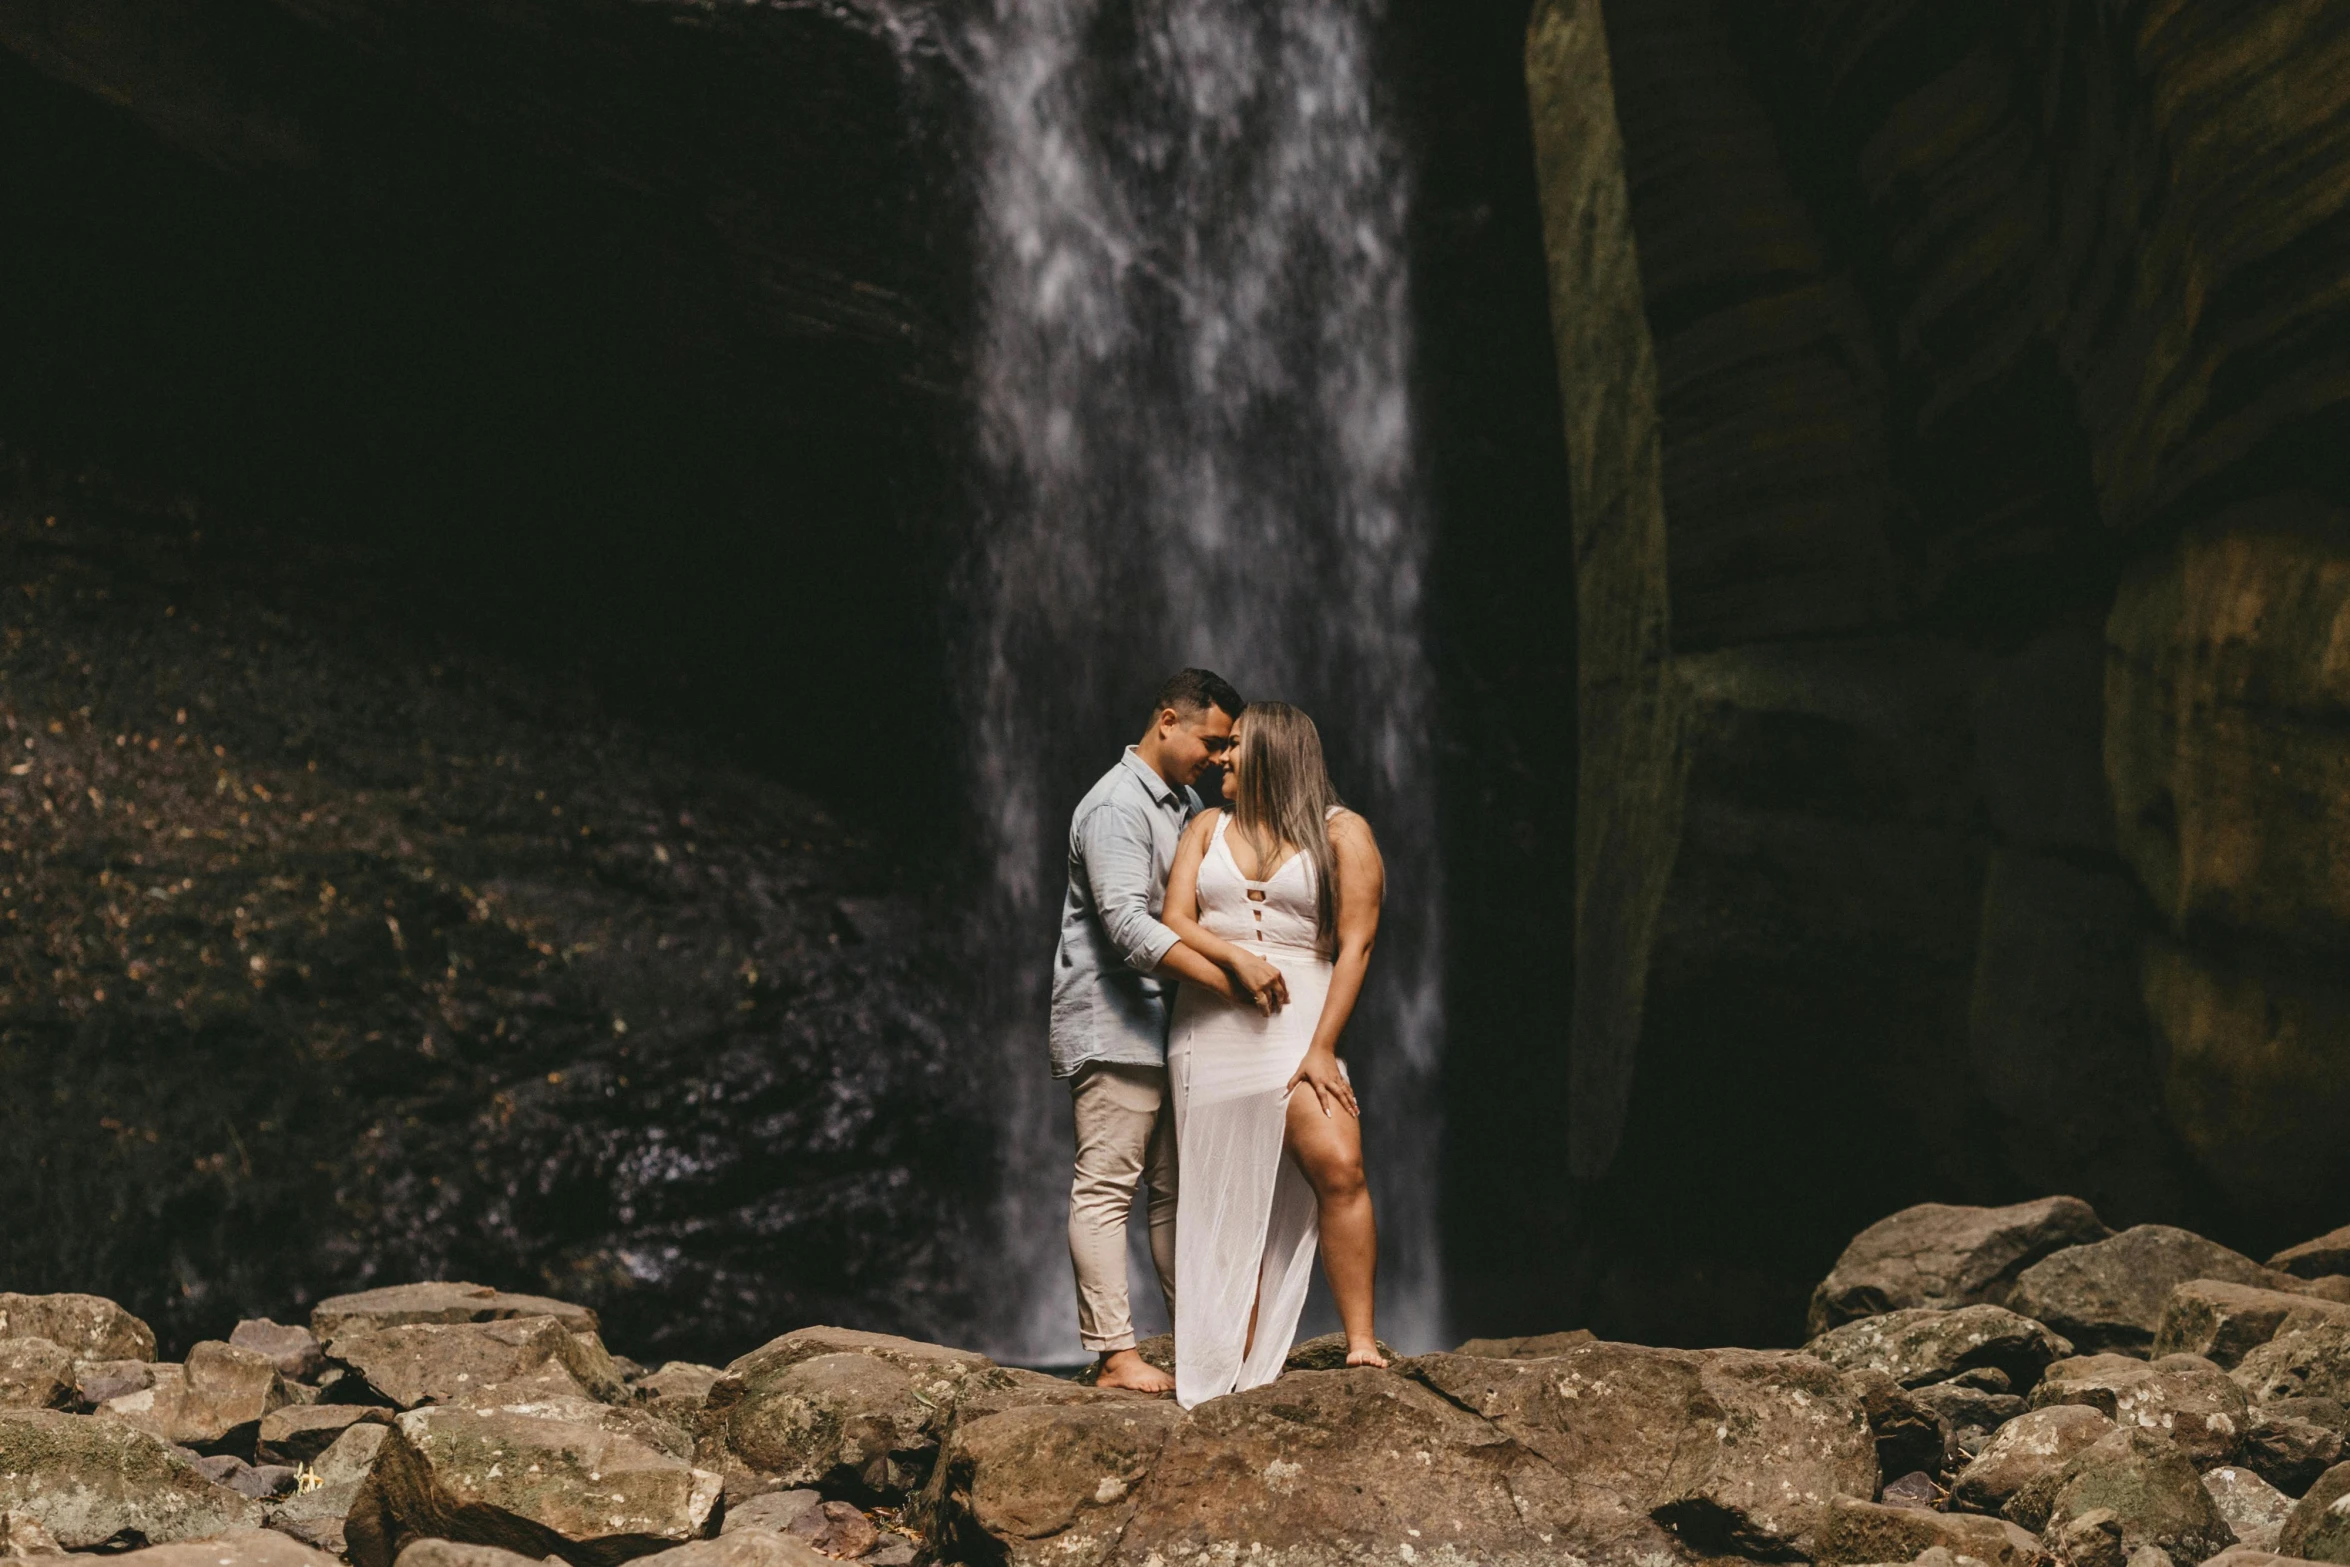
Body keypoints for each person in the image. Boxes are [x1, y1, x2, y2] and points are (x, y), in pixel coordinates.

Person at [1049, 668, 1275, 1393]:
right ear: (1167, 720)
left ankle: (1198, 1336)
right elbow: (1127, 928)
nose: (1219, 757)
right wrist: (1232, 978)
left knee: (1178, 1190)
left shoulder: (1182, 805)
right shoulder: (1118, 807)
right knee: (1108, 1185)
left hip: (1169, 1027)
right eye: (1212, 741)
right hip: (1115, 1020)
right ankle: (1114, 1352)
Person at [1159, 700, 1388, 1408]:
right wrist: (1233, 958)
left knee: (1340, 1165)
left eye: (1236, 747)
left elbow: (1357, 944)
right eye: (1221, 747)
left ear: (1277, 753)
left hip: (1301, 1026)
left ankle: (1361, 1339)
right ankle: (1231, 1366)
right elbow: (1173, 920)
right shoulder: (1206, 827)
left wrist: (1323, 1045)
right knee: (1229, 1195)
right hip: (1212, 1027)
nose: (1222, 758)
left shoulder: (1343, 832)